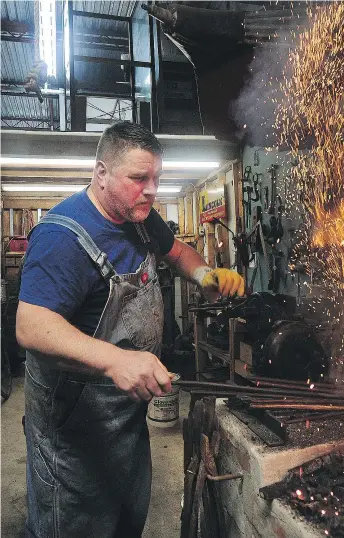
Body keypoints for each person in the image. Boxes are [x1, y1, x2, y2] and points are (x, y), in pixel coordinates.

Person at [16, 121, 244, 538]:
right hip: (72, 430)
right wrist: (117, 360)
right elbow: (31, 327)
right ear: (101, 174)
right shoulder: (61, 237)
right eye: (139, 178)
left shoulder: (139, 218)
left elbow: (177, 253)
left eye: (156, 178)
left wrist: (206, 275)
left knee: (124, 519)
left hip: (125, 419)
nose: (151, 189)